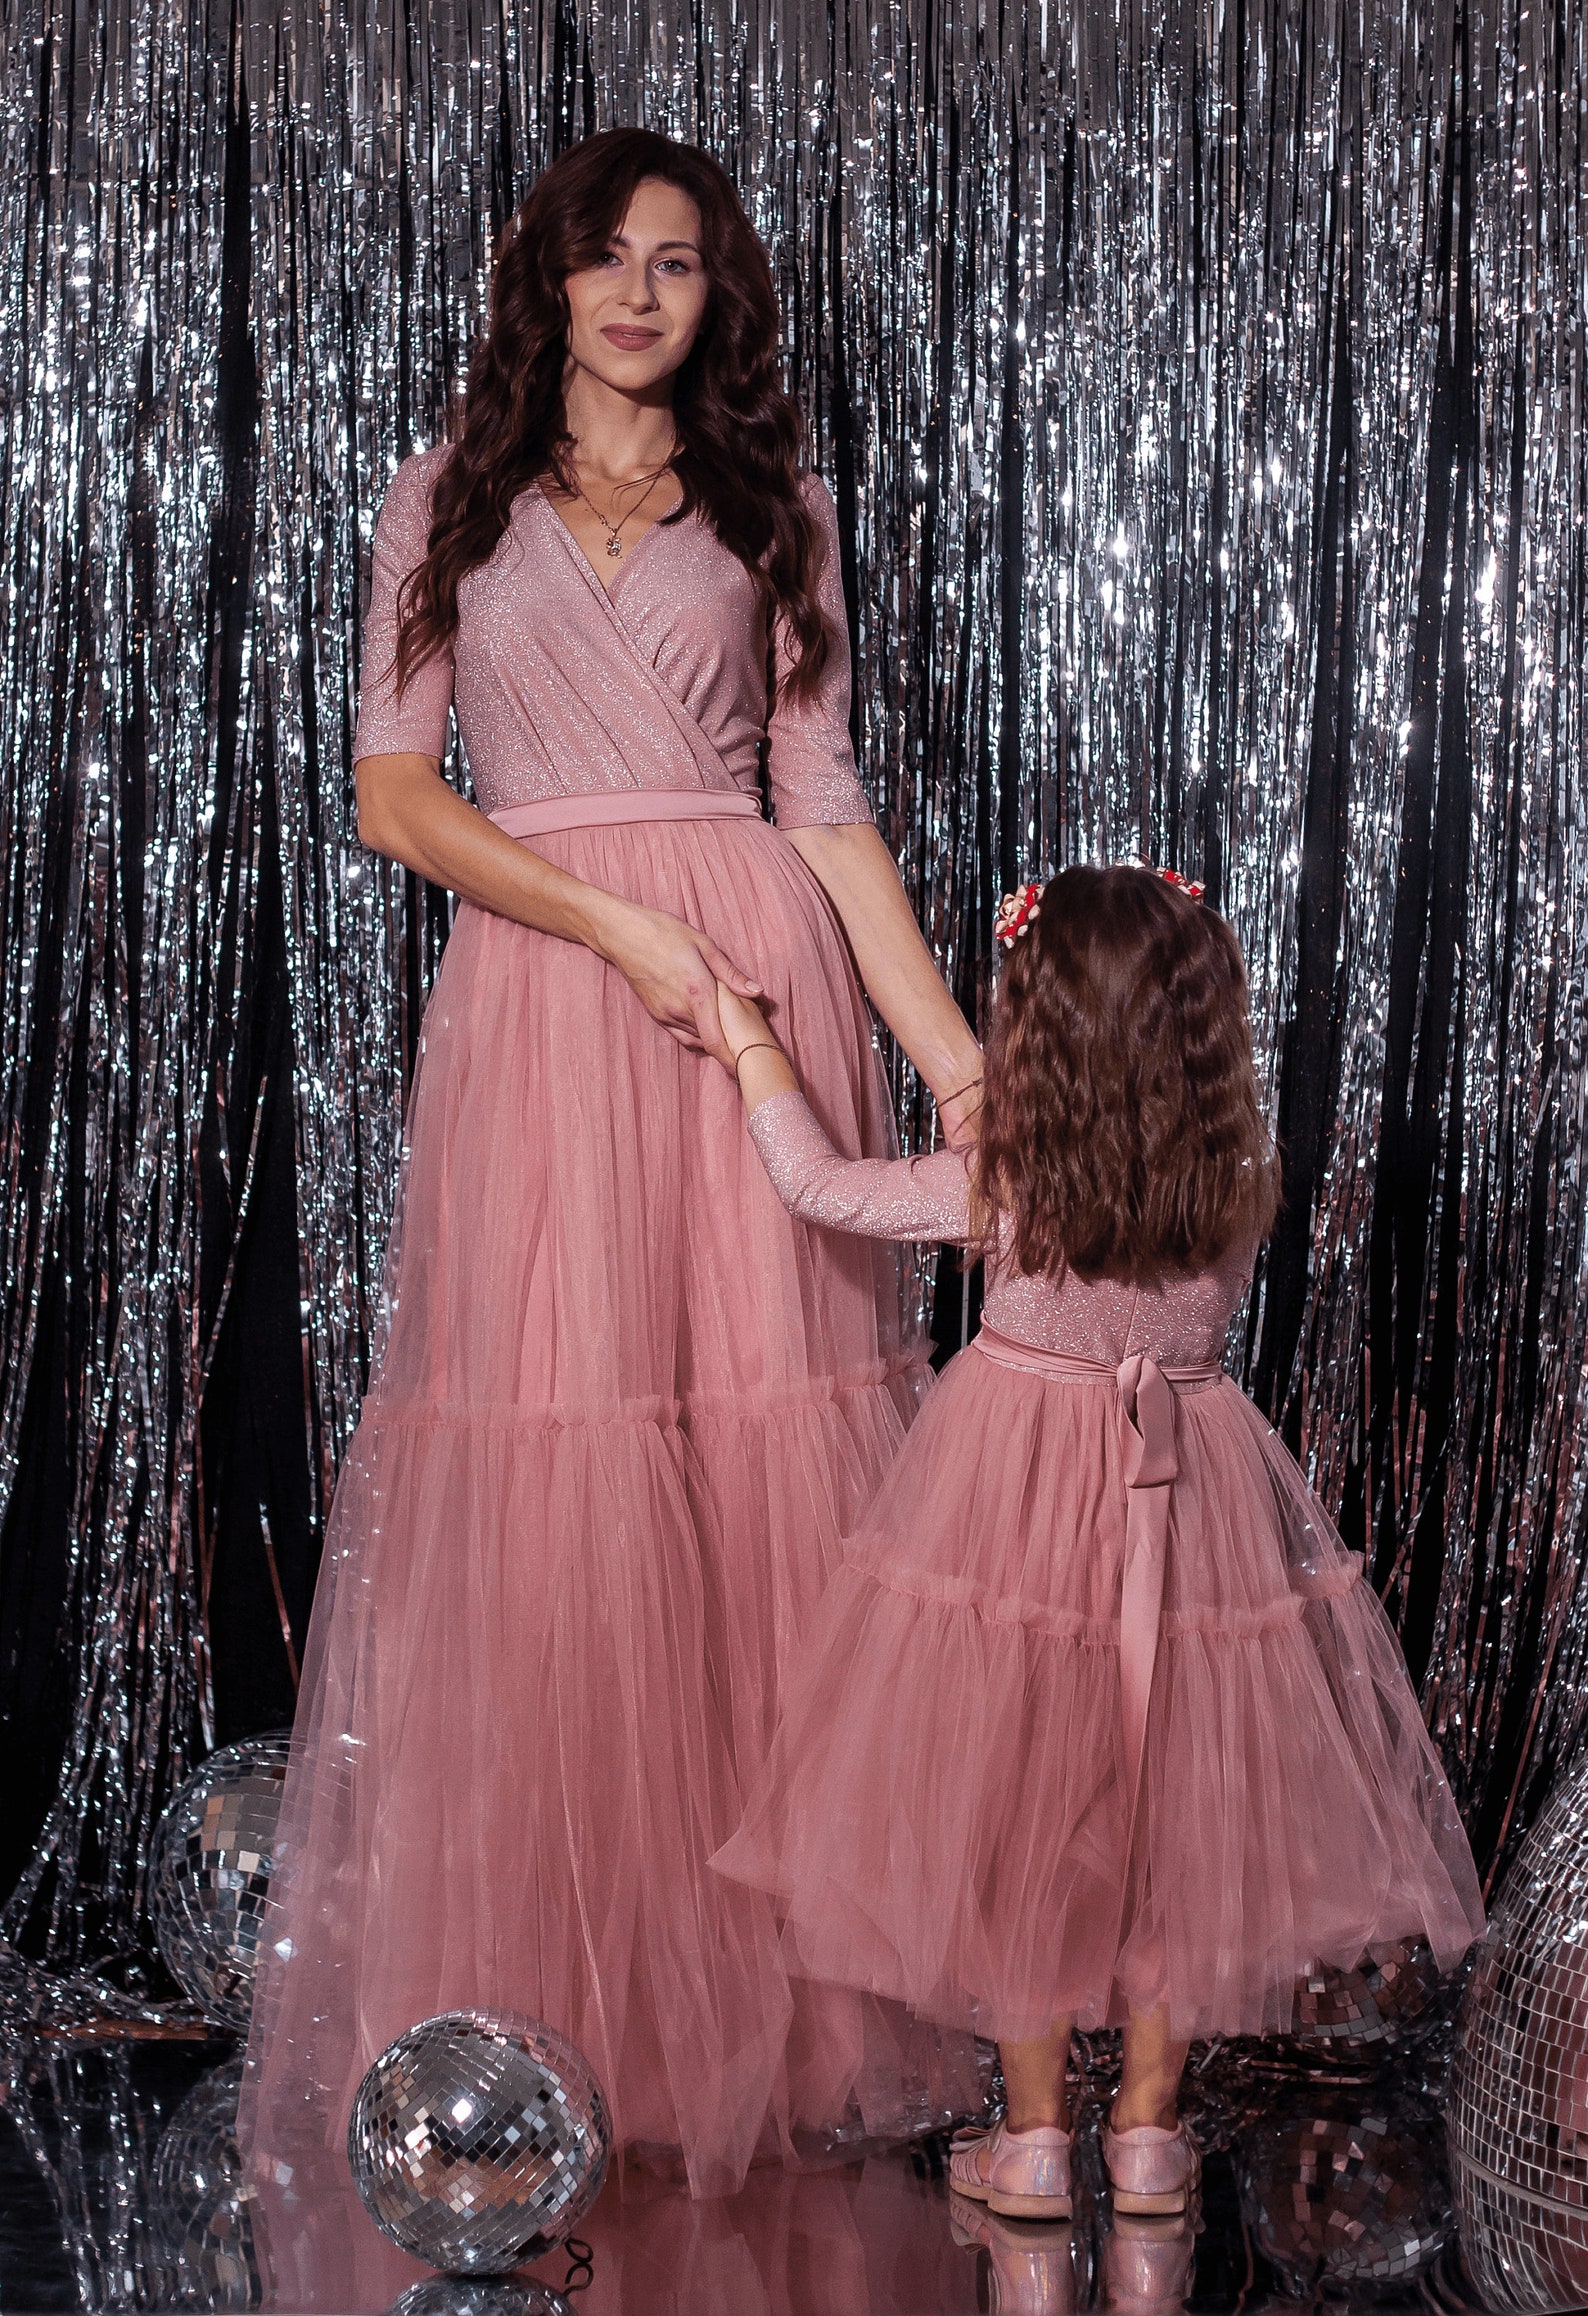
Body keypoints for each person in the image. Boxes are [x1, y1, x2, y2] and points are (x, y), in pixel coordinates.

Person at [240, 126, 983, 2199]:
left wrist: (954, 1064)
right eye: (607, 258)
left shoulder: (775, 505)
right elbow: (397, 797)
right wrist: (620, 928)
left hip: (757, 995)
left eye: (678, 261)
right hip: (557, 1003)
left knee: (762, 1471)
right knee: (563, 1467)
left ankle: (783, 2026)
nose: (642, 293)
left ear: (711, 293)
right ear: (546, 282)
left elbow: (824, 807)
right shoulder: (444, 499)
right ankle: (566, 2017)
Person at [710, 863, 1485, 2222]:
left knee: (1018, 1816)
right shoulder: (1230, 1180)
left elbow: (819, 1185)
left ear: (1043, 1033)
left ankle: (1031, 2141)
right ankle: (1147, 2136)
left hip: (1011, 1510)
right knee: (1177, 1818)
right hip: (1188, 1510)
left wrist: (749, 1046)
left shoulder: (1005, 1186)